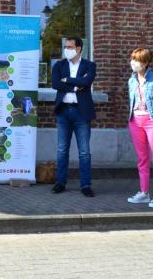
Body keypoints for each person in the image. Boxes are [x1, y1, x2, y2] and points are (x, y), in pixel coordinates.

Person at [51, 37, 97, 197]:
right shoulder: (59, 65)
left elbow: (87, 81)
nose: (66, 49)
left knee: (84, 151)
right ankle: (60, 182)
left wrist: (69, 80)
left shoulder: (89, 65)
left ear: (79, 49)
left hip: (81, 112)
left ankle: (85, 185)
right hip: (63, 111)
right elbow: (55, 84)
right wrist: (77, 85)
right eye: (65, 46)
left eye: (69, 47)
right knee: (62, 150)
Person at [126, 48, 153, 209]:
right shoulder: (131, 80)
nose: (133, 62)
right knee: (142, 159)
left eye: (137, 60)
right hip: (135, 121)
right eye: (132, 59)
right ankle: (144, 193)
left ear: (145, 63)